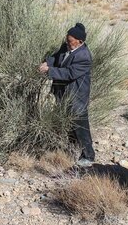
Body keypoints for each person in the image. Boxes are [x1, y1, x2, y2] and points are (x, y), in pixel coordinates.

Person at [39, 23, 96, 167]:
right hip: (63, 93)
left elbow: (69, 73)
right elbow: (56, 57)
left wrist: (49, 70)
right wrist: (47, 62)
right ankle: (72, 149)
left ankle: (88, 156)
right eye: (67, 40)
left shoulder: (84, 56)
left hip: (77, 95)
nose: (67, 43)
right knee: (68, 123)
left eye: (70, 41)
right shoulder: (67, 46)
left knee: (80, 125)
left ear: (80, 42)